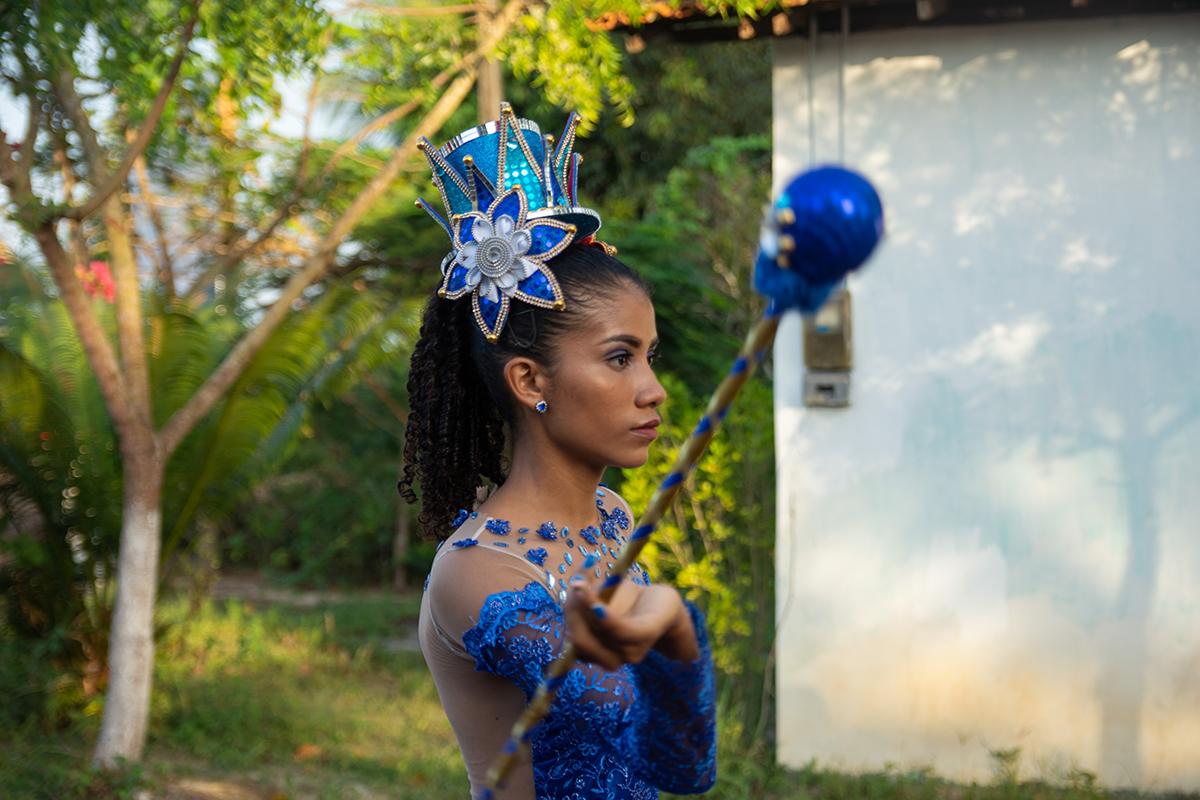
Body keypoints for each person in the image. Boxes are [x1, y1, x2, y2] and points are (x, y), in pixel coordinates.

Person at [399, 104, 718, 799]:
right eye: (619, 358)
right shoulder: (476, 572)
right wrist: (673, 625)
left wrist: (674, 628)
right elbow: (616, 707)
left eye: (649, 357)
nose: (654, 390)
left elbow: (685, 768)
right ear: (530, 380)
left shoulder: (608, 516)